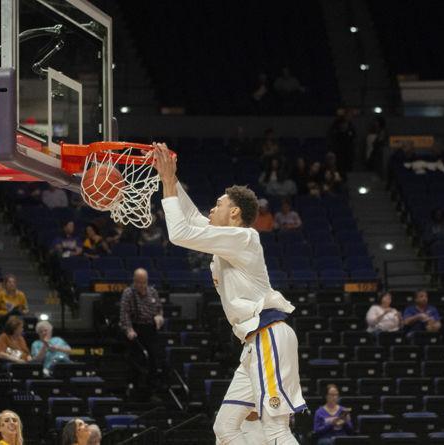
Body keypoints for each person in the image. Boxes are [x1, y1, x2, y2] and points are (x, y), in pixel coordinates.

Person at [153, 143, 305, 444]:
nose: (212, 208)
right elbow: (192, 218)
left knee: (276, 428)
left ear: (234, 212)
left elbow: (180, 232)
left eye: (219, 204)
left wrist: (170, 183)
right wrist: (167, 177)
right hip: (253, 344)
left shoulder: (244, 238)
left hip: (269, 335)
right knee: (224, 429)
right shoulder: (228, 240)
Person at [119, 268, 164, 400]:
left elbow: (159, 310)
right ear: (134, 281)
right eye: (139, 282)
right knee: (137, 359)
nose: (141, 285)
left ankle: (152, 390)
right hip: (136, 330)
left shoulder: (153, 292)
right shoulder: (128, 293)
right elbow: (124, 314)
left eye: (144, 282)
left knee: (154, 359)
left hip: (150, 329)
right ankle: (134, 388)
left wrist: (159, 317)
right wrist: (129, 330)